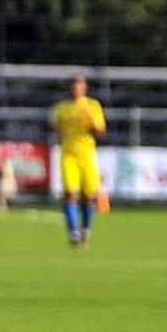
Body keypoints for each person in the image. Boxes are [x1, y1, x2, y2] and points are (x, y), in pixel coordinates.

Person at [50, 75, 106, 246]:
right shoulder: (61, 108)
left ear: (84, 88)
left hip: (87, 154)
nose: (76, 88)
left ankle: (85, 229)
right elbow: (55, 128)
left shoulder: (92, 106)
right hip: (68, 154)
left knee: (89, 195)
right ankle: (73, 232)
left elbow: (101, 131)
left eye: (80, 85)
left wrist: (91, 123)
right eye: (74, 85)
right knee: (70, 193)